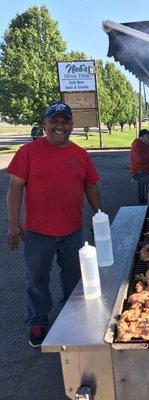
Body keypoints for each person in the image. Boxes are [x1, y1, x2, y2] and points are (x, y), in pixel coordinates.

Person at [6, 101, 101, 348]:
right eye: (54, 122)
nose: (60, 126)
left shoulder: (80, 154)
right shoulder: (28, 152)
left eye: (65, 122)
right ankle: (38, 321)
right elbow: (15, 187)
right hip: (38, 232)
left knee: (73, 277)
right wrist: (13, 224)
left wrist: (98, 215)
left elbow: (90, 185)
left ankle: (72, 318)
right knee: (37, 279)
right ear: (45, 124)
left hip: (72, 230)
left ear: (71, 125)